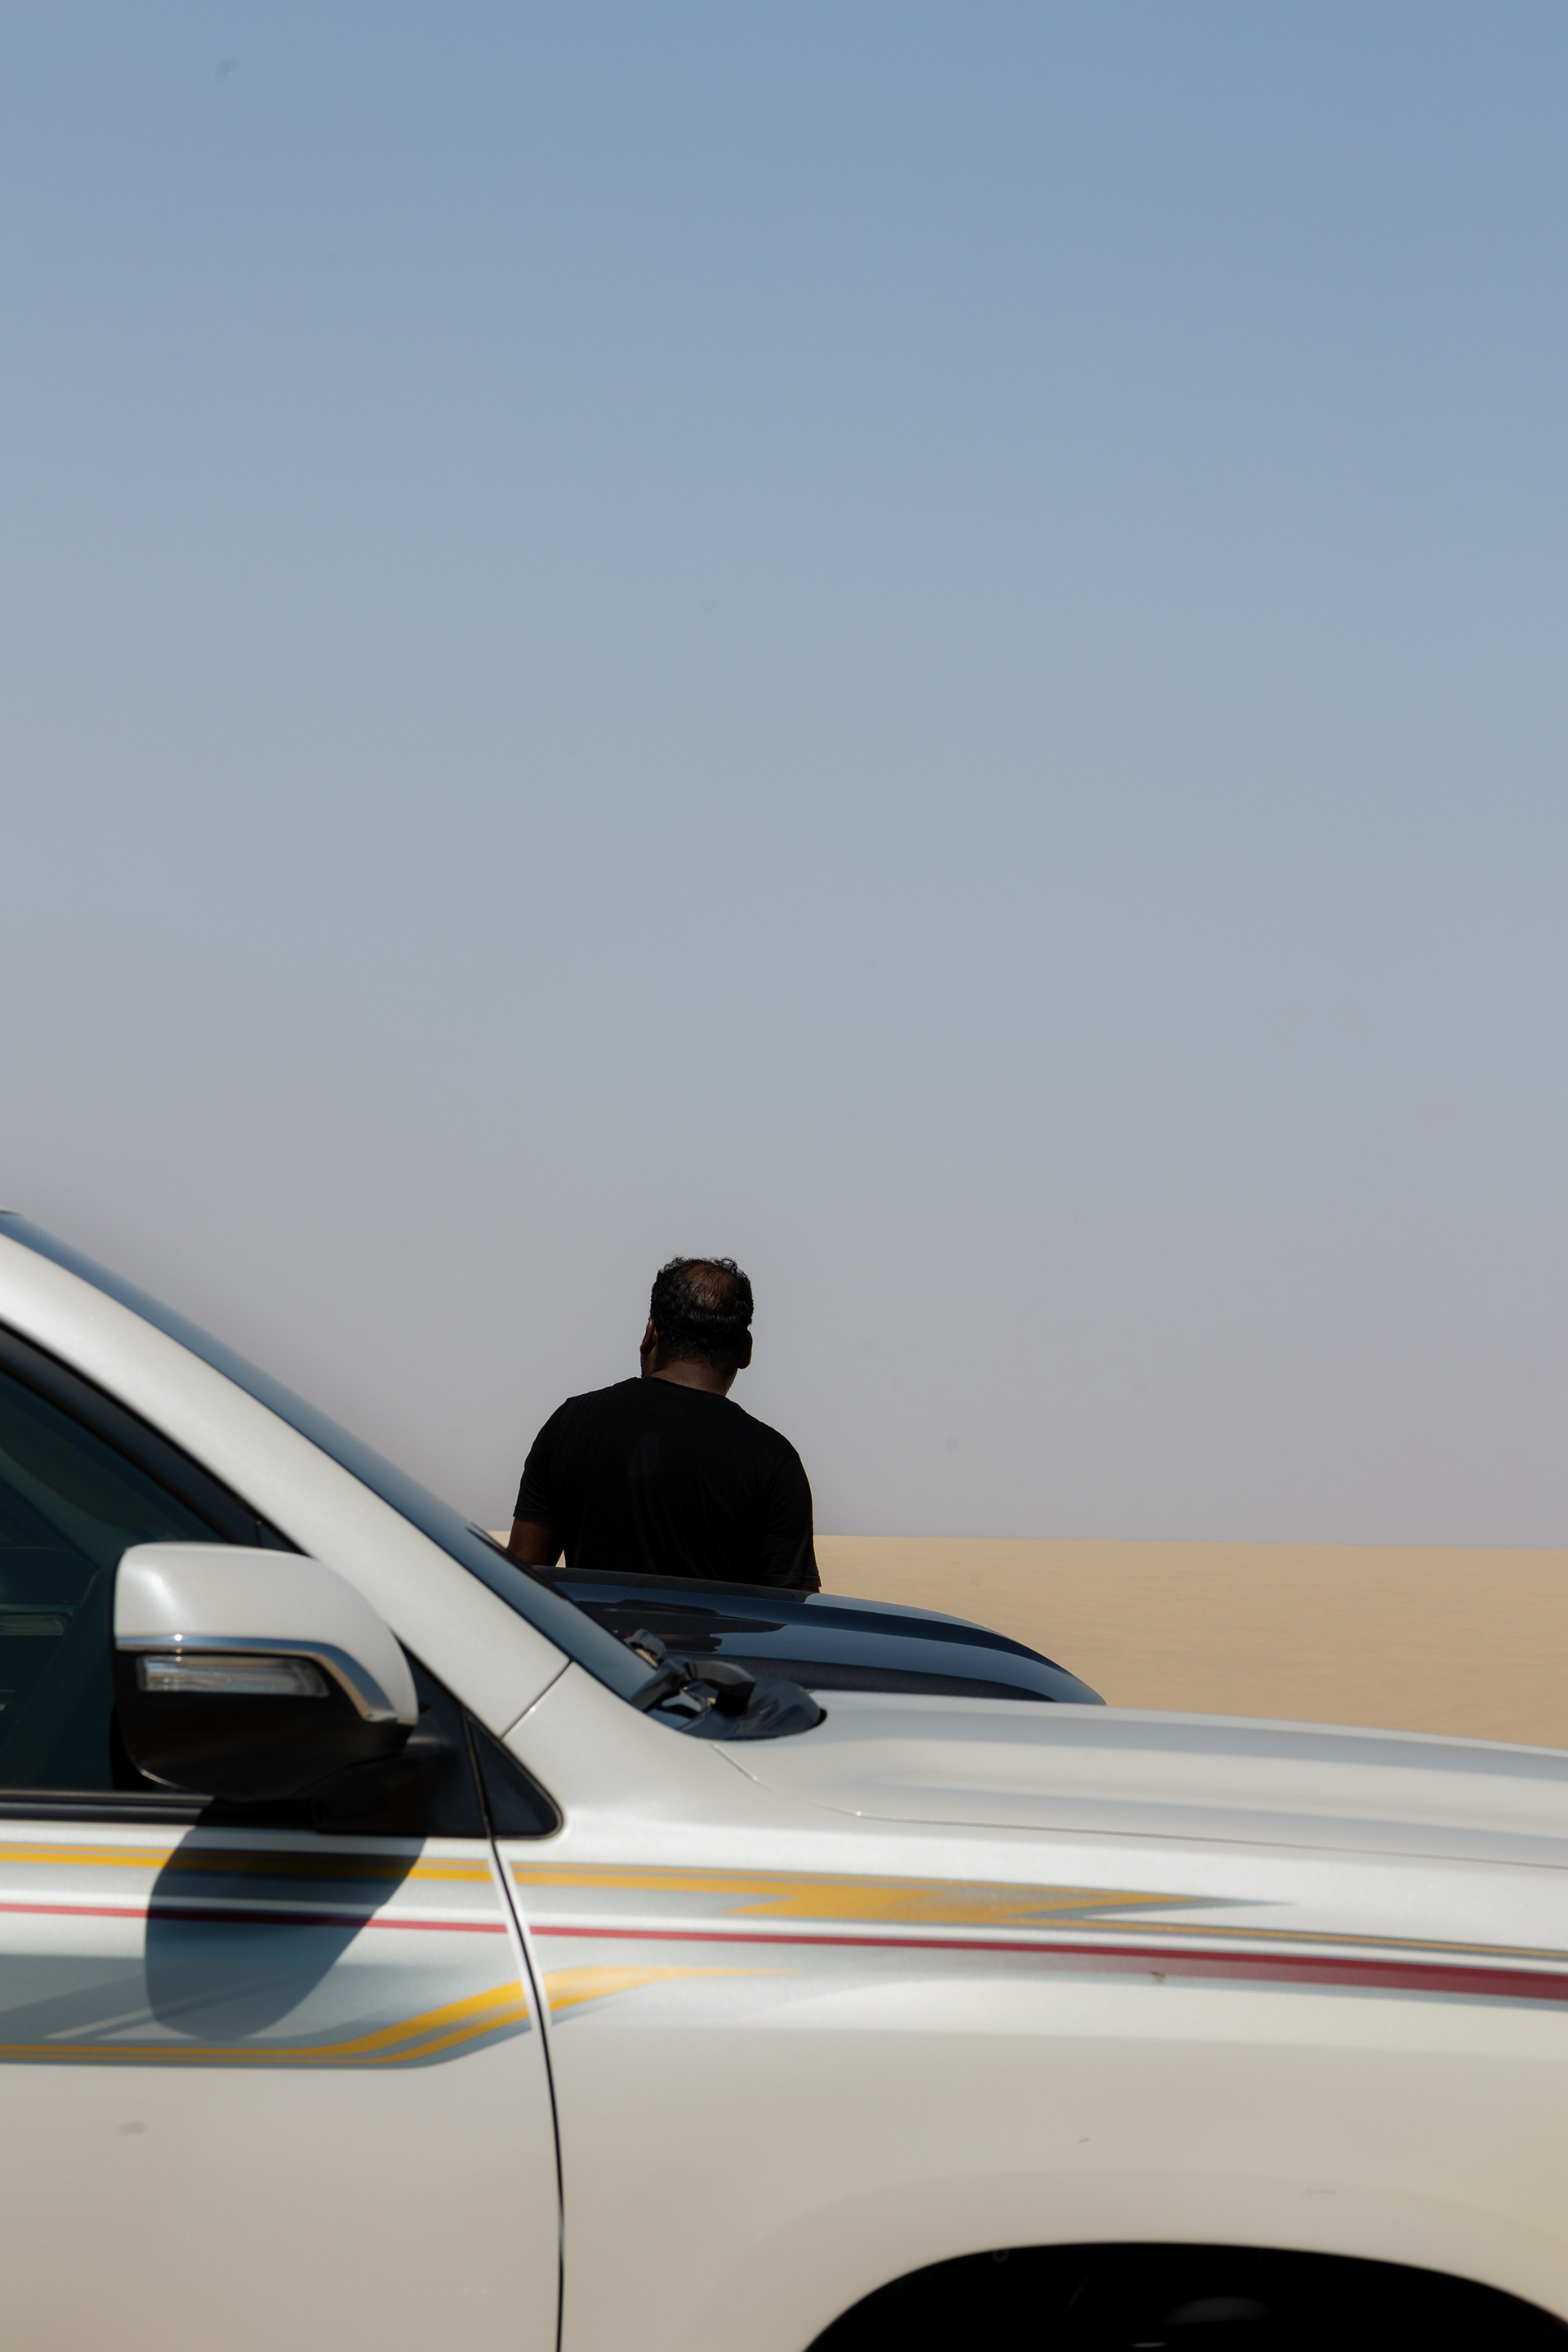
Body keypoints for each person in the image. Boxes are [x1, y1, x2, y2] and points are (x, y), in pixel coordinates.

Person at [507, 1255, 819, 1590]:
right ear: (746, 1350)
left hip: (589, 1628)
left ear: (650, 1334)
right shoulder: (773, 1460)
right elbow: (792, 1611)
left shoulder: (570, 1423)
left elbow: (519, 1582)